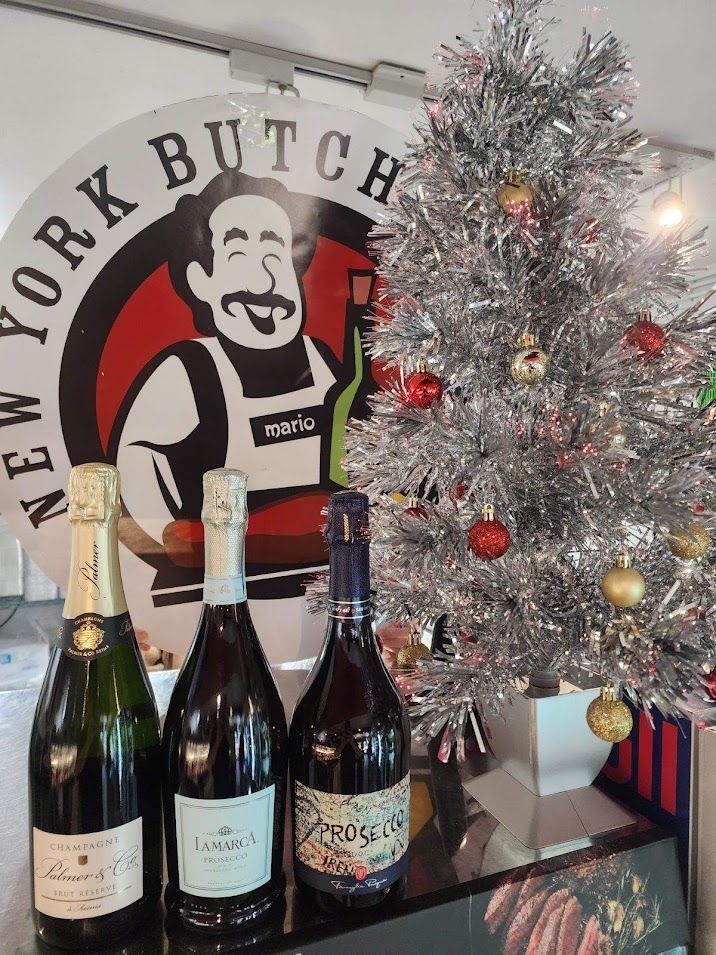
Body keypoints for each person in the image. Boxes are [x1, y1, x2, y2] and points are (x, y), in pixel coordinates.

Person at [113, 170, 362, 590]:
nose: (265, 280)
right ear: (201, 281)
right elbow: (137, 463)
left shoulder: (321, 360)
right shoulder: (188, 369)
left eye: (275, 256)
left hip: (326, 587)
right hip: (220, 593)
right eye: (238, 256)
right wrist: (179, 548)